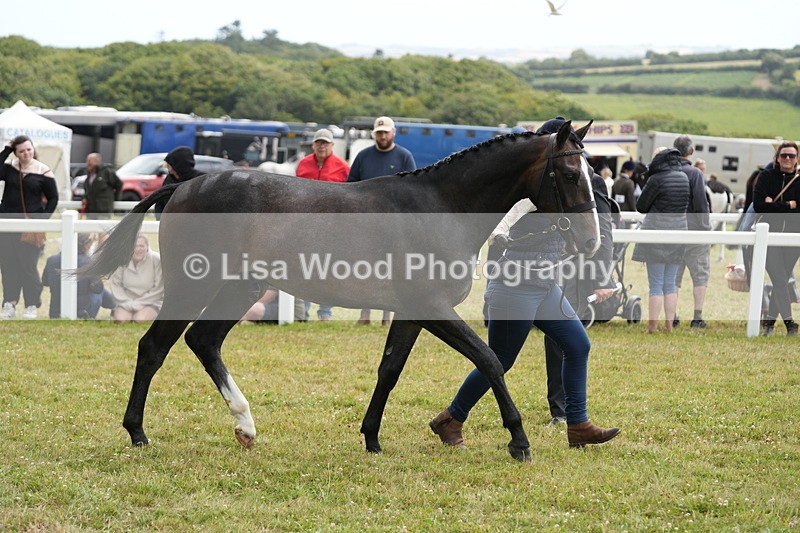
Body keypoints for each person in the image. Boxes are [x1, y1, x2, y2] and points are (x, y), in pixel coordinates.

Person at [429, 116, 620, 449]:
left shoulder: (559, 185)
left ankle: (578, 425)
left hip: (546, 286)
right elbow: (502, 220)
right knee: (500, 360)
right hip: (514, 286)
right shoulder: (528, 187)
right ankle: (450, 418)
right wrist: (501, 235)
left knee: (578, 346)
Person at [544, 167, 619, 425]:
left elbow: (603, 230)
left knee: (562, 340)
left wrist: (603, 279)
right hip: (543, 266)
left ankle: (562, 410)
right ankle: (559, 407)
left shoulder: (591, 180)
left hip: (574, 271)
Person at [347, 116, 416, 326]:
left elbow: (413, 190)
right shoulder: (363, 156)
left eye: (386, 132)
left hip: (395, 225)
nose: (383, 135)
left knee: (391, 270)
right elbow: (350, 186)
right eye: (379, 132)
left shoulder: (405, 156)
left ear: (393, 133)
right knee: (364, 268)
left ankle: (387, 317)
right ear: (374, 134)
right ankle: (364, 315)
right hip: (365, 223)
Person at [0, 136, 59, 319]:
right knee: (8, 265)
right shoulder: (10, 167)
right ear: (16, 153)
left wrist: (42, 220)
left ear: (33, 149)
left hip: (30, 226)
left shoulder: (44, 171)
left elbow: (53, 199)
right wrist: (7, 150)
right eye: (21, 151)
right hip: (7, 224)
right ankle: (9, 303)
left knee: (28, 266)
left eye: (29, 149)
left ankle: (32, 304)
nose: (26, 154)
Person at [295, 128, 351, 320]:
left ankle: (325, 313)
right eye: (318, 142)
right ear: (313, 145)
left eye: (325, 143)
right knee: (305, 269)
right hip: (306, 226)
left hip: (332, 227)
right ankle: (303, 312)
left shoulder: (342, 167)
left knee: (328, 270)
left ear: (332, 146)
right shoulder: (303, 164)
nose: (321, 146)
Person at [632, 147, 690, 334]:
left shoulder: (656, 179)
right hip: (679, 232)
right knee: (670, 283)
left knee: (656, 284)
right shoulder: (683, 177)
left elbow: (641, 206)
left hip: (656, 233)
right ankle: (669, 326)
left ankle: (652, 327)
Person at [752, 141, 800, 336]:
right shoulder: (766, 176)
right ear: (777, 158)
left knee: (781, 280)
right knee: (780, 279)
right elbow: (758, 205)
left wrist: (773, 203)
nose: (787, 159)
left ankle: (769, 324)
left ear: (797, 159)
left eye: (791, 155)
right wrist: (788, 205)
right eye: (784, 155)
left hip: (793, 237)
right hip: (769, 236)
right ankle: (790, 324)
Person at [672, 135, 711, 329]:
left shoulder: (668, 171)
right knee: (700, 275)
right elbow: (701, 204)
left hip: (673, 232)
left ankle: (672, 314)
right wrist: (705, 228)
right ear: (691, 152)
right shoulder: (695, 174)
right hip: (694, 231)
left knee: (674, 276)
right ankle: (697, 316)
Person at [42, 233, 116, 319]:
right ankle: (117, 306)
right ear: (86, 245)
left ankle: (116, 305)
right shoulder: (88, 262)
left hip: (56, 313)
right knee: (100, 290)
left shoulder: (51, 260)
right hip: (83, 313)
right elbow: (98, 288)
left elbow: (45, 282)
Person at [109, 234, 164, 323]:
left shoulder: (156, 259)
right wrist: (128, 303)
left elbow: (159, 289)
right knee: (121, 320)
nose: (138, 249)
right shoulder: (121, 259)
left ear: (147, 247)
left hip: (151, 302)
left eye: (141, 246)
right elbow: (116, 284)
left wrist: (139, 303)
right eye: (134, 246)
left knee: (139, 319)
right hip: (126, 302)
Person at [154, 146, 205, 219]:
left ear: (178, 164)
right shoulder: (169, 179)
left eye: (170, 164)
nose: (168, 167)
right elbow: (160, 203)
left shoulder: (200, 178)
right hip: (169, 223)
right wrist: (160, 219)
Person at [82, 152, 122, 219]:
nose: (87, 163)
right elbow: (88, 190)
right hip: (91, 212)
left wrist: (115, 199)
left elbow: (119, 184)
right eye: (87, 161)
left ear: (97, 161)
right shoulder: (89, 175)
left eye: (89, 161)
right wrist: (84, 197)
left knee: (102, 229)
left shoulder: (107, 172)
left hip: (103, 211)